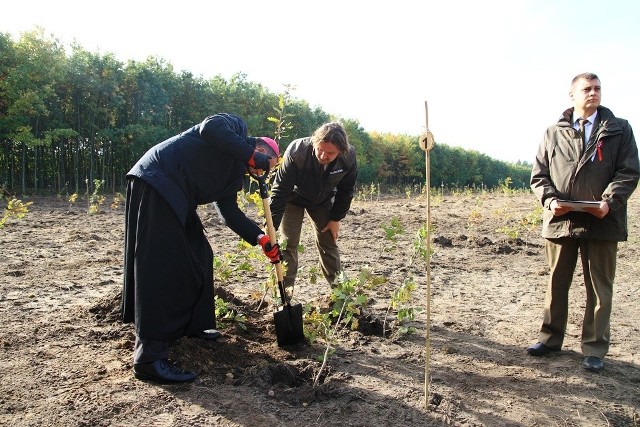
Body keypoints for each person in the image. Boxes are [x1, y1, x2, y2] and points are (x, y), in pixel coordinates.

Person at [122, 113, 282, 384]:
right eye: (265, 164)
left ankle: (193, 325)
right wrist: (250, 154)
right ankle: (148, 358)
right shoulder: (234, 128)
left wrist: (260, 238)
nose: (261, 172)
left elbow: (229, 212)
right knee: (163, 265)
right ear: (259, 150)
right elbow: (210, 127)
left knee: (199, 253)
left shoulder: (233, 177)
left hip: (176, 195)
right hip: (157, 179)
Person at [528, 72, 639, 372]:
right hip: (561, 220)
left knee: (600, 288)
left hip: (603, 221)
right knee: (556, 283)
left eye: (598, 88)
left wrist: (609, 203)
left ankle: (594, 348)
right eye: (587, 89)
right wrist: (551, 201)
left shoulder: (619, 130)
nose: (593, 93)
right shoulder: (554, 132)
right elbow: (539, 176)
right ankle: (550, 339)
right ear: (572, 95)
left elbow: (629, 172)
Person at [269, 122, 357, 292]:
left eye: (330, 153)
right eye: (320, 149)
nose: (323, 156)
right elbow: (280, 190)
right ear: (314, 142)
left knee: (328, 243)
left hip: (321, 201)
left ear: (341, 151)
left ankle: (341, 294)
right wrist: (271, 226)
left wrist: (335, 218)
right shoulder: (297, 152)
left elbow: (347, 190)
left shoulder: (348, 157)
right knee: (288, 244)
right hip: (292, 199)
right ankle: (284, 295)